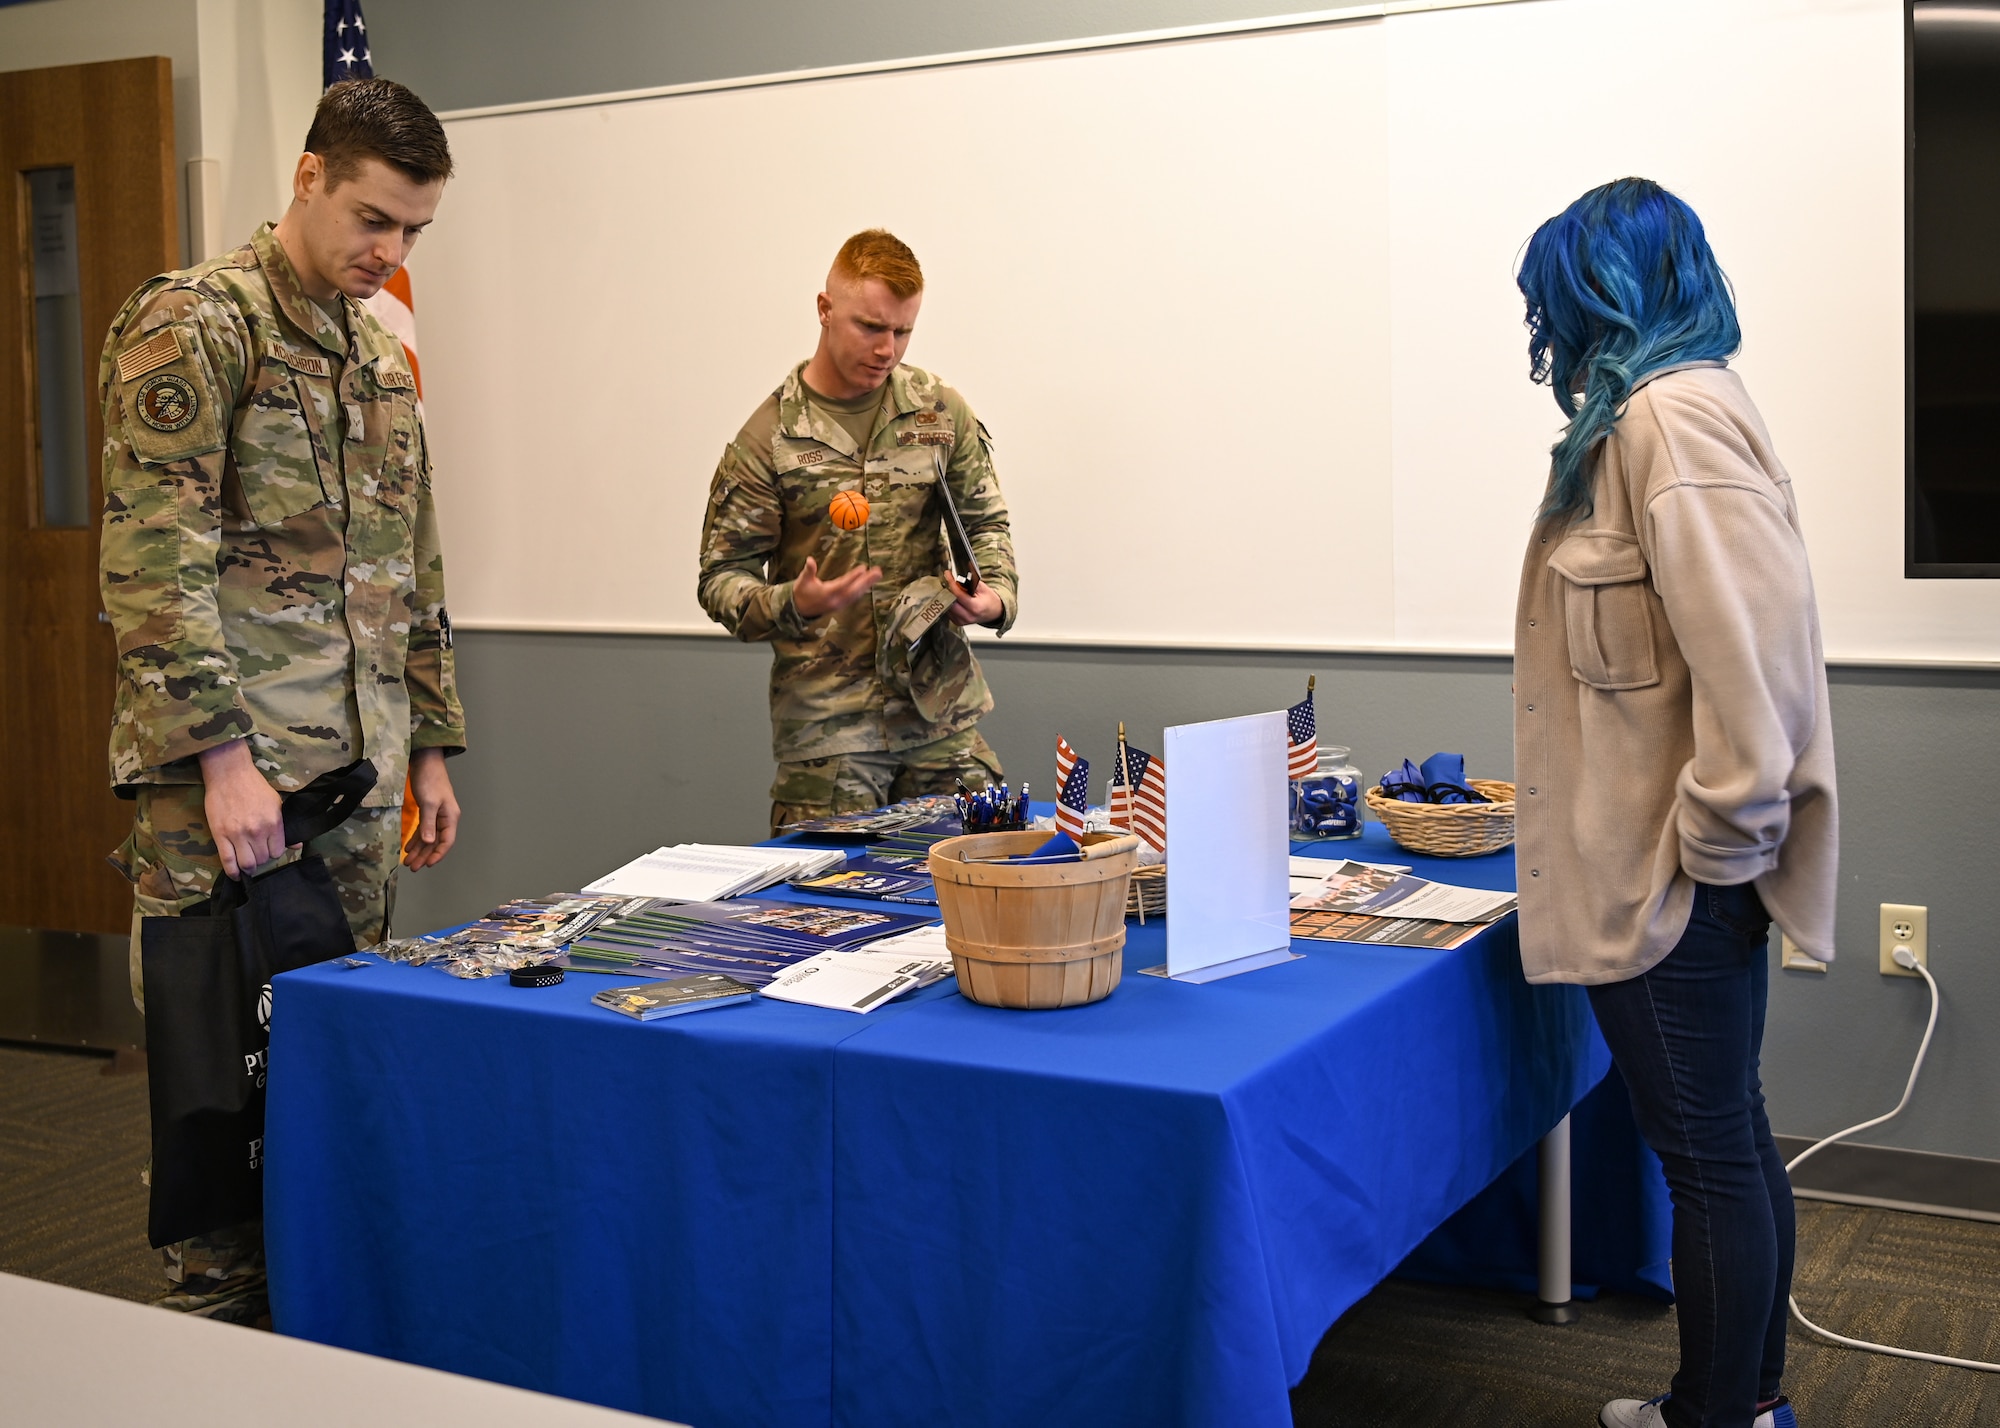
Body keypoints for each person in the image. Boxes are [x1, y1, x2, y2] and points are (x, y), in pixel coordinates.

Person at [97, 77, 467, 1322]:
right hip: (234, 801)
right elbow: (155, 560)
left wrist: (430, 745)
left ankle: (311, 1336)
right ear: (308, 175)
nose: (389, 251)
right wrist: (218, 760)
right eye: (373, 219)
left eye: (413, 231)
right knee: (220, 1094)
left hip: (354, 794)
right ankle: (210, 1341)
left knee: (325, 1084)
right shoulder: (196, 325)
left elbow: (410, 562)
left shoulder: (377, 353)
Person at [1512, 179, 1836, 1428]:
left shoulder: (1670, 419)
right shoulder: (1659, 412)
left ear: (1598, 288)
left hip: (1674, 878)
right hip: (1677, 870)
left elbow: (1750, 667)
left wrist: (1707, 848)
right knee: (1728, 1143)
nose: (1541, 325)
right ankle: (1740, 1404)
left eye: (1551, 295)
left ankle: (1714, 1417)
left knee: (1706, 1157)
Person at [698, 230, 1019, 833]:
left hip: (939, 713)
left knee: (985, 884)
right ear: (824, 309)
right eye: (871, 327)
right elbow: (720, 578)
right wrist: (792, 601)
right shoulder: (769, 437)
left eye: (903, 332)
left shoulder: (938, 411)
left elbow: (986, 523)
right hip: (829, 729)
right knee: (833, 913)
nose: (887, 349)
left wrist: (993, 595)